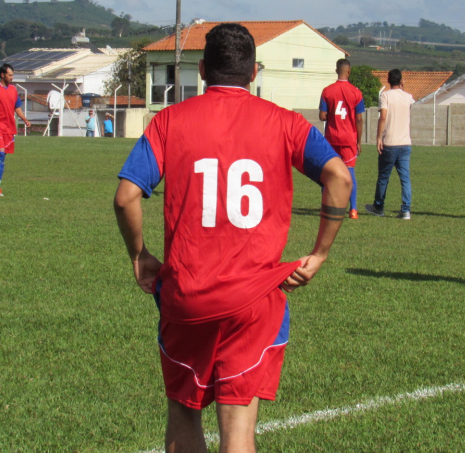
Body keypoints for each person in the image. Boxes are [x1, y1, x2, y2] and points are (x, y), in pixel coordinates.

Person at [113, 23, 351, 453]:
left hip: (187, 299)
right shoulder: (284, 123)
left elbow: (126, 195)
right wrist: (319, 253)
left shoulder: (169, 121)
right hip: (255, 300)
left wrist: (140, 255)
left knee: (183, 419)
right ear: (254, 72)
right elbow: (339, 174)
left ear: (202, 70)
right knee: (238, 433)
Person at [319, 58, 365, 219]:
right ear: (349, 71)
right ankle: (353, 209)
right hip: (349, 139)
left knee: (329, 173)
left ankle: (326, 207)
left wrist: (332, 116)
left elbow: (322, 116)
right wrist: (359, 140)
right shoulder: (356, 92)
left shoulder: (327, 91)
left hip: (331, 138)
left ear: (336, 70)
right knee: (349, 173)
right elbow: (359, 119)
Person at [366, 69, 415, 219]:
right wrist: (403, 87)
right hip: (405, 143)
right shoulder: (408, 97)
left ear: (388, 80)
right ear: (401, 81)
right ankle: (406, 210)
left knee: (383, 177)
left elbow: (383, 117)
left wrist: (379, 137)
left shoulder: (385, 95)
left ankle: (379, 207)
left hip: (390, 143)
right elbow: (408, 104)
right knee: (405, 178)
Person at [0, 63, 30, 197]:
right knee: (0, 153)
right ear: (2, 75)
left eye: (13, 75)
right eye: (10, 75)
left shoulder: (13, 90)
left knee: (3, 157)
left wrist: (24, 119)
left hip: (9, 127)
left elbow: (17, 107)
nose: (12, 78)